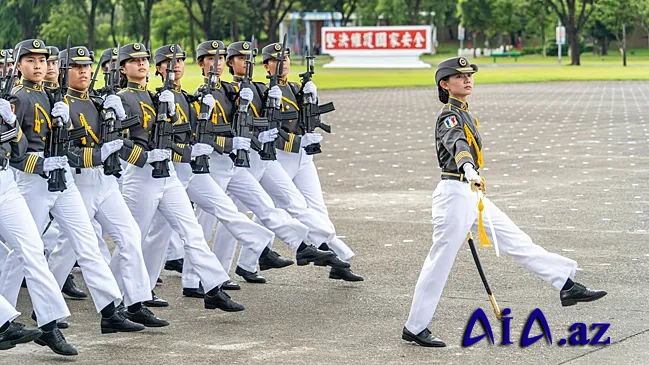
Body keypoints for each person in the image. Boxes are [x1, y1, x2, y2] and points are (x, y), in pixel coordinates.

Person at [401, 57, 607, 347]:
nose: (467, 80)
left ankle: (566, 284)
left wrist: (471, 175)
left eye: (469, 75)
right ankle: (415, 326)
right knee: (439, 263)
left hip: (471, 194)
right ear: (444, 84)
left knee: (517, 240)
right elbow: (457, 143)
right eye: (459, 77)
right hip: (454, 193)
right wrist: (468, 167)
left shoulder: (467, 114)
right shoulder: (448, 115)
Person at [4, 38, 144, 341]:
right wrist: (42, 166)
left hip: (62, 175)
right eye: (31, 61)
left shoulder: (51, 95)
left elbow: (67, 141)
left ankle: (109, 310)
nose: (40, 66)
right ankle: (10, 317)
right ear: (19, 66)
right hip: (34, 181)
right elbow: (15, 155)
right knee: (23, 252)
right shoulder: (19, 98)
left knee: (88, 243)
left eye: (43, 60)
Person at [212, 40, 362, 282]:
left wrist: (312, 97)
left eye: (286, 59)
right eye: (276, 60)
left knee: (294, 208)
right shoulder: (248, 89)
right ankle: (221, 271)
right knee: (250, 212)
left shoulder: (293, 86)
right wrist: (293, 142)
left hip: (301, 156)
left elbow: (302, 119)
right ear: (267, 65)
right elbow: (263, 124)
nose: (283, 65)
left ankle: (330, 257)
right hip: (270, 154)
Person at [45, 45, 168, 328]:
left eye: (87, 66)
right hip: (80, 179)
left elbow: (122, 135)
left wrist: (117, 115)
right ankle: (45, 308)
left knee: (129, 235)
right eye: (76, 67)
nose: (84, 72)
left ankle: (135, 302)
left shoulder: (100, 101)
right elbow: (66, 150)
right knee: (69, 249)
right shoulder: (60, 105)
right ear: (64, 71)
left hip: (106, 179)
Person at [116, 42, 244, 312]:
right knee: (132, 239)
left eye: (144, 60)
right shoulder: (121, 99)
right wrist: (143, 157)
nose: (141, 64)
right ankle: (115, 296)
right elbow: (115, 143)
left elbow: (174, 135)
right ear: (122, 68)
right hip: (142, 176)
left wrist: (186, 124)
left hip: (169, 174)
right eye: (134, 60)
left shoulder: (155, 97)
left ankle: (213, 287)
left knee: (192, 231)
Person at [140, 43, 274, 299]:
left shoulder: (185, 97)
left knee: (222, 208)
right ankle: (140, 290)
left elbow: (197, 132)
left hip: (189, 171)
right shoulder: (158, 98)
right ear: (158, 68)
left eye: (180, 60)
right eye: (169, 62)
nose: (176, 65)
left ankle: (259, 246)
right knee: (158, 232)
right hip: (166, 172)